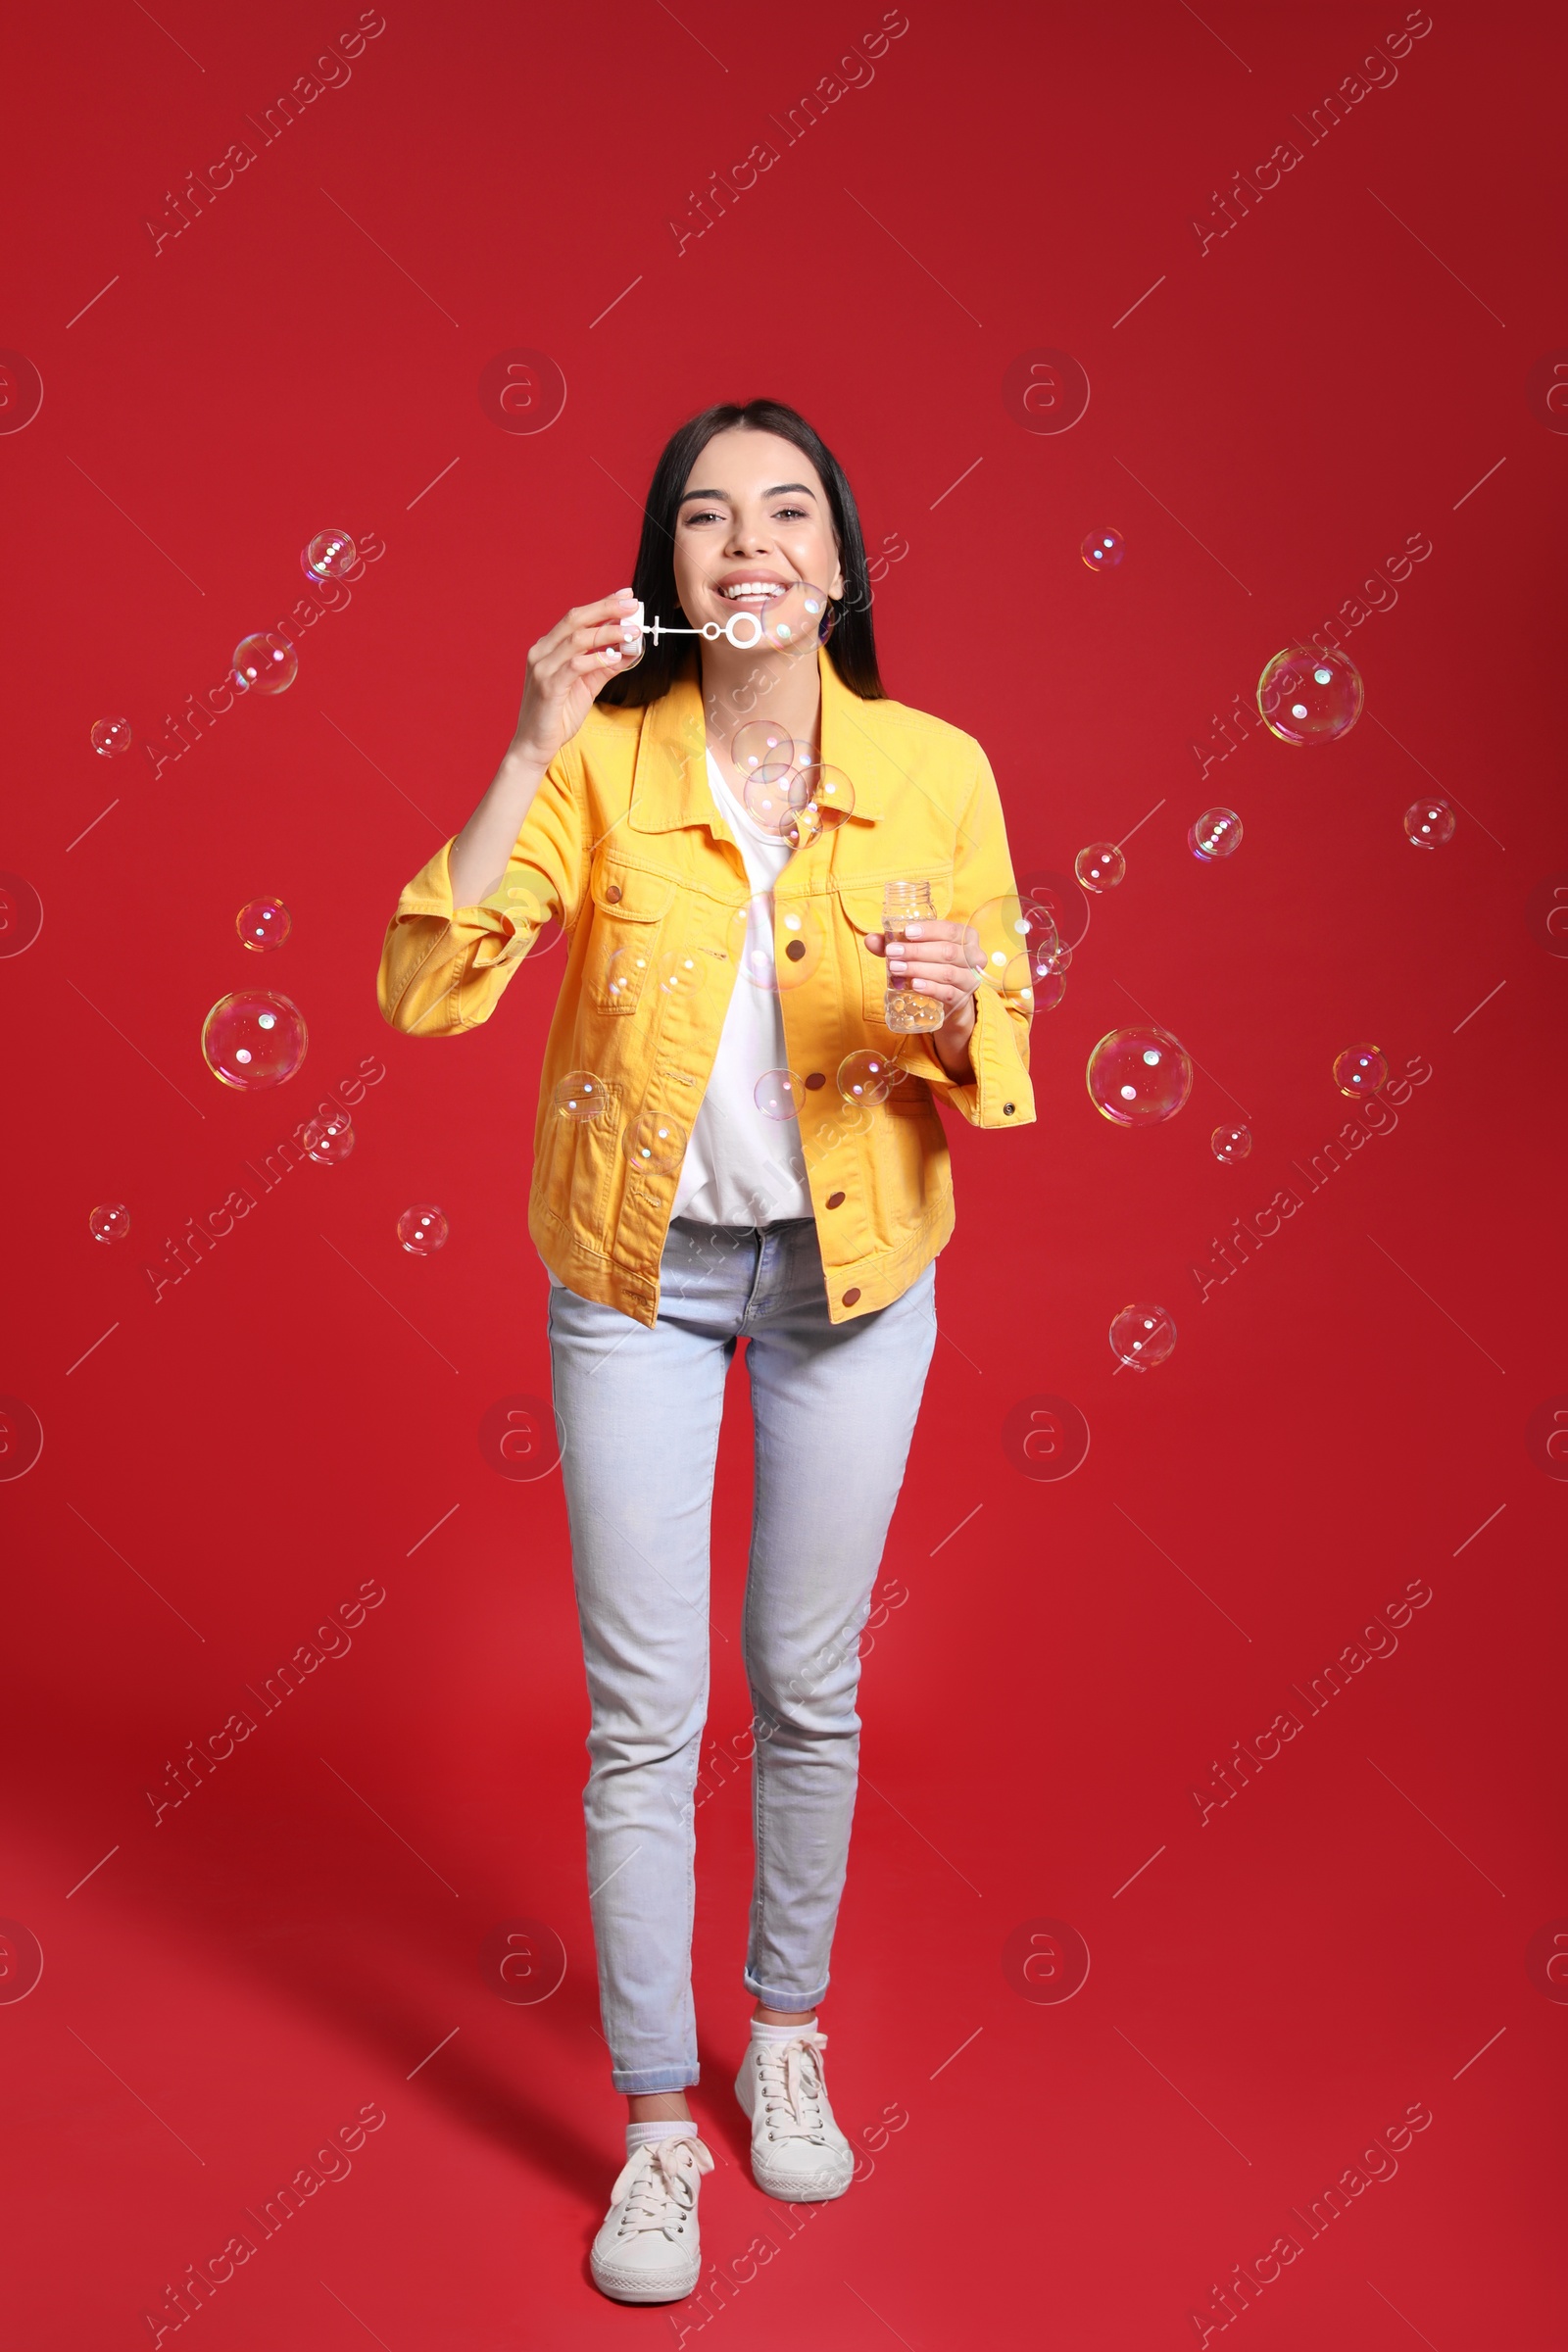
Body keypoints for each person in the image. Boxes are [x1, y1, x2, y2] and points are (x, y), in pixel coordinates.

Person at [376, 398, 1034, 2304]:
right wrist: (519, 745)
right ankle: (660, 2125)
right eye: (704, 519)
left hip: (855, 1285)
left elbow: (1002, 1065)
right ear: (669, 571)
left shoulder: (937, 772)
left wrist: (950, 1014)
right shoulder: (598, 761)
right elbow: (430, 988)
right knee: (643, 1716)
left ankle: (788, 2029)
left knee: (804, 1682)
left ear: (834, 564)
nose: (747, 541)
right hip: (635, 1278)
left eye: (787, 512)